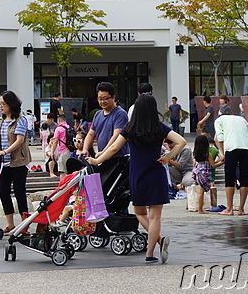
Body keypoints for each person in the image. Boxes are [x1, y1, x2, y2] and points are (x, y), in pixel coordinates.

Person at [87, 94, 186, 264]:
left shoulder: (129, 128)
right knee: (155, 217)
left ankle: (160, 241)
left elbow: (113, 148)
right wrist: (168, 157)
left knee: (139, 213)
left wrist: (96, 160)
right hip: (156, 173)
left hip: (137, 174)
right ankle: (151, 252)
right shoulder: (159, 127)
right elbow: (182, 141)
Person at [0, 90, 31, 232]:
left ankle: (24, 225)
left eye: (3, 103)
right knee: (3, 192)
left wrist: (5, 151)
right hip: (3, 163)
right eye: (0, 104)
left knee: (19, 192)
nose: (1, 106)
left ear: (11, 104)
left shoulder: (20, 120)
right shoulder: (0, 121)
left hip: (18, 162)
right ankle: (10, 223)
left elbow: (20, 140)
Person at [215, 107, 248, 216]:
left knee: (230, 178)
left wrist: (222, 153)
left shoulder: (219, 120)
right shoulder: (242, 119)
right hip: (246, 149)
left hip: (231, 149)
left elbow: (220, 138)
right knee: (244, 178)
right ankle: (241, 210)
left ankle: (229, 209)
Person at [82, 82, 129, 164]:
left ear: (113, 98)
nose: (102, 101)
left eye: (105, 98)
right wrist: (85, 149)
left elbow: (116, 136)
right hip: (103, 158)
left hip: (118, 159)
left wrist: (104, 152)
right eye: (100, 99)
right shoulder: (98, 114)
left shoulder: (120, 114)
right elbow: (91, 134)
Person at [191, 135, 223, 214]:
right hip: (205, 173)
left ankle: (200, 208)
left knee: (199, 191)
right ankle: (200, 209)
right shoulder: (208, 154)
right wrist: (222, 162)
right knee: (201, 192)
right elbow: (213, 165)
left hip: (197, 172)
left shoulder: (196, 154)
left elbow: (194, 164)